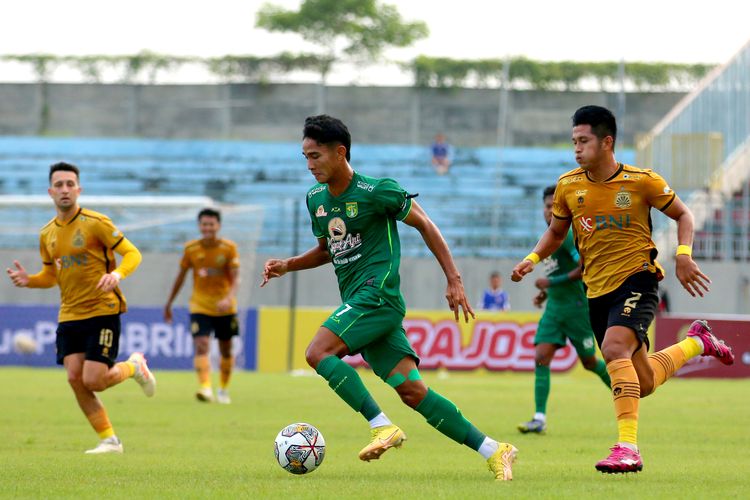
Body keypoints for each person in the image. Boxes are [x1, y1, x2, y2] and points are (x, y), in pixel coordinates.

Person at [261, 115, 518, 481]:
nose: (309, 165)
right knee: (413, 391)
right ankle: (495, 450)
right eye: (305, 156)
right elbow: (327, 249)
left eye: (315, 156)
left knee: (317, 353)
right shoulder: (316, 199)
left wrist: (454, 279)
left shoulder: (376, 191)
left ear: (340, 152)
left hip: (377, 295)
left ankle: (381, 425)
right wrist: (288, 264)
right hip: (361, 302)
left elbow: (425, 224)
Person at [511, 105, 734, 474]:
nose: (577, 149)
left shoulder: (641, 180)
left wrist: (683, 255)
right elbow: (555, 233)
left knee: (614, 349)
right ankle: (698, 342)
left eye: (584, 141)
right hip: (596, 291)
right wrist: (532, 259)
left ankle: (627, 448)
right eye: (574, 142)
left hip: (638, 279)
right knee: (642, 382)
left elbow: (683, 214)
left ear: (607, 142)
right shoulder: (569, 186)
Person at [6, 162, 156, 454]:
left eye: (70, 184)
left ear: (79, 189)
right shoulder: (46, 234)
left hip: (102, 310)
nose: (65, 189)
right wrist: (29, 280)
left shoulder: (96, 222)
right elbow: (51, 276)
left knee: (94, 380)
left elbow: (132, 253)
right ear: (50, 191)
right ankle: (110, 440)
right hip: (69, 315)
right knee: (76, 379)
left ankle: (134, 365)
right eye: (59, 184)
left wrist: (117, 275)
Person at [517, 185, 611, 435]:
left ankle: (626, 395)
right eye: (547, 207)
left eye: (554, 207)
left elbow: (583, 267)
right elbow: (557, 272)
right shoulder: (547, 238)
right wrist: (545, 293)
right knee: (541, 356)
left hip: (576, 309)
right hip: (554, 308)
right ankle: (539, 418)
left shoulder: (568, 235)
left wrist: (551, 283)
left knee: (590, 362)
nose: (549, 211)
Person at [164, 208, 240, 404]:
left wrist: (229, 298)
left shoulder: (228, 248)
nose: (207, 228)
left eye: (211, 224)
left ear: (218, 226)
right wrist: (169, 302)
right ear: (199, 226)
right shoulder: (191, 249)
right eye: (204, 224)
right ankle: (205, 388)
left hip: (225, 307)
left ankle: (223, 389)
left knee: (225, 349)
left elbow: (236, 278)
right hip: (200, 305)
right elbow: (180, 277)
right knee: (201, 345)